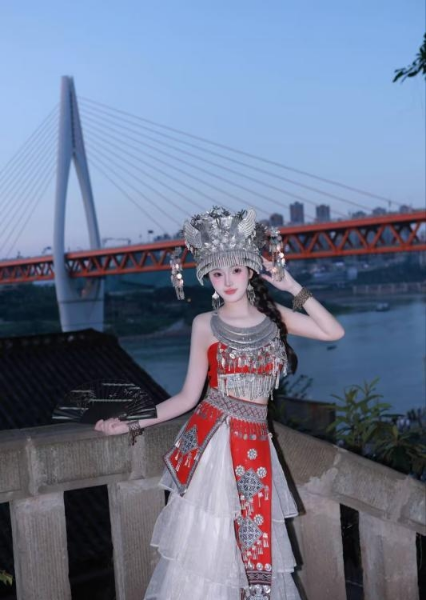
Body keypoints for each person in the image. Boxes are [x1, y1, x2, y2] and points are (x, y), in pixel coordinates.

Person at [95, 207, 345, 600]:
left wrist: (290, 284)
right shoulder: (204, 325)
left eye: (236, 270)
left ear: (251, 270)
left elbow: (334, 331)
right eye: (217, 274)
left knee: (253, 548)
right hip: (215, 448)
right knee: (211, 550)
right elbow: (187, 397)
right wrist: (130, 423)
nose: (227, 281)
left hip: (255, 446)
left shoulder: (274, 317)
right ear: (207, 277)